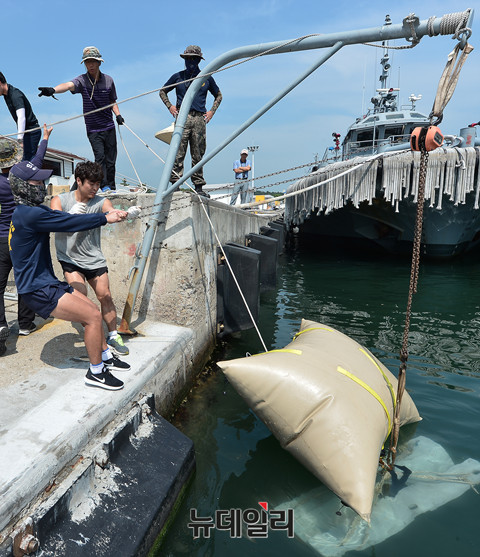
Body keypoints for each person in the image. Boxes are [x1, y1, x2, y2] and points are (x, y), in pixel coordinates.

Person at [9, 125, 130, 390]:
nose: (42, 185)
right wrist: (105, 218)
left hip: (44, 283)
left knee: (92, 308)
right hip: (37, 289)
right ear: (22, 186)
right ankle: (96, 372)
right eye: (36, 182)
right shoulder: (31, 214)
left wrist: (45, 138)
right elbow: (66, 222)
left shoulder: (22, 212)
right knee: (91, 316)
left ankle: (106, 356)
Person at [50, 161, 129, 357]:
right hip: (69, 258)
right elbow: (54, 221)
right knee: (82, 298)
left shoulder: (100, 202)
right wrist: (69, 216)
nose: (95, 188)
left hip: (94, 258)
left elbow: (110, 211)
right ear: (78, 181)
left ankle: (113, 334)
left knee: (105, 296)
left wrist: (121, 214)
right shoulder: (60, 200)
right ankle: (95, 339)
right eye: (90, 184)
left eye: (97, 184)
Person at [38, 46, 124, 192]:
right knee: (100, 157)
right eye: (87, 62)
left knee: (111, 160)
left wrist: (118, 115)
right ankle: (103, 186)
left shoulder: (109, 80)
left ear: (99, 63)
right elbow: (68, 85)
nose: (90, 65)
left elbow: (112, 101)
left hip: (109, 126)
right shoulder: (82, 80)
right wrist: (53, 90)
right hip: (93, 128)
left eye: (93, 61)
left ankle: (112, 187)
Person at [159, 45, 222, 198]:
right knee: (178, 151)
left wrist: (212, 111)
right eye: (188, 59)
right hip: (182, 117)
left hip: (200, 118)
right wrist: (170, 107)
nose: (190, 62)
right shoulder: (178, 77)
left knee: (198, 153)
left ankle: (198, 185)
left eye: (194, 59)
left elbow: (218, 95)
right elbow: (162, 91)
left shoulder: (206, 77)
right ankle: (175, 184)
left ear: (199, 60)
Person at [0, 72, 41, 161]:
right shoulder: (6, 95)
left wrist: (19, 139)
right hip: (26, 132)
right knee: (23, 160)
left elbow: (21, 117)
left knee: (27, 162)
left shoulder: (15, 95)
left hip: (32, 131)